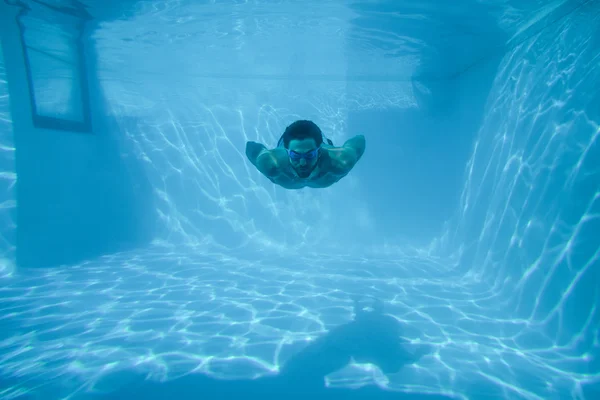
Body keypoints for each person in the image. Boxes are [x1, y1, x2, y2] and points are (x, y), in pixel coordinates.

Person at [245, 120, 366, 189]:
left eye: (309, 155)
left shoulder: (340, 162)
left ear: (319, 151)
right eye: (295, 156)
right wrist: (264, 153)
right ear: (287, 152)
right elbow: (250, 148)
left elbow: (360, 140)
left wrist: (346, 152)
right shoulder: (272, 164)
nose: (302, 163)